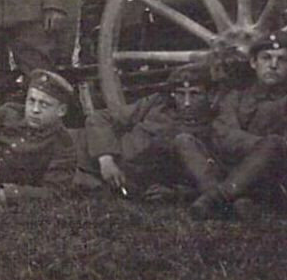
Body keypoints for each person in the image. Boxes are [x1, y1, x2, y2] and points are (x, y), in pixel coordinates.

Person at [198, 38, 287, 219]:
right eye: (266, 58)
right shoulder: (236, 96)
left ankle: (215, 199)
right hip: (233, 166)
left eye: (282, 60)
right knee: (185, 141)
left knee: (275, 143)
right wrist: (263, 146)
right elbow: (224, 135)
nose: (273, 65)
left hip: (273, 175)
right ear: (254, 63)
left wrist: (269, 146)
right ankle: (237, 200)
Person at [85, 62, 220, 202]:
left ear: (209, 95)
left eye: (194, 94)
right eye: (180, 93)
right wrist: (106, 159)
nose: (186, 102)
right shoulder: (157, 103)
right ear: (172, 93)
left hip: (137, 180)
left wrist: (176, 193)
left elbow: (209, 175)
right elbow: (100, 118)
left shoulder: (215, 123)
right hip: (99, 158)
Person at [0, 69, 84, 206]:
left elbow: (55, 192)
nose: (35, 110)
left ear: (61, 111)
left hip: (9, 188)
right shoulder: (8, 113)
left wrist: (9, 194)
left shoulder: (64, 144)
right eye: (31, 101)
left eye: (44, 104)